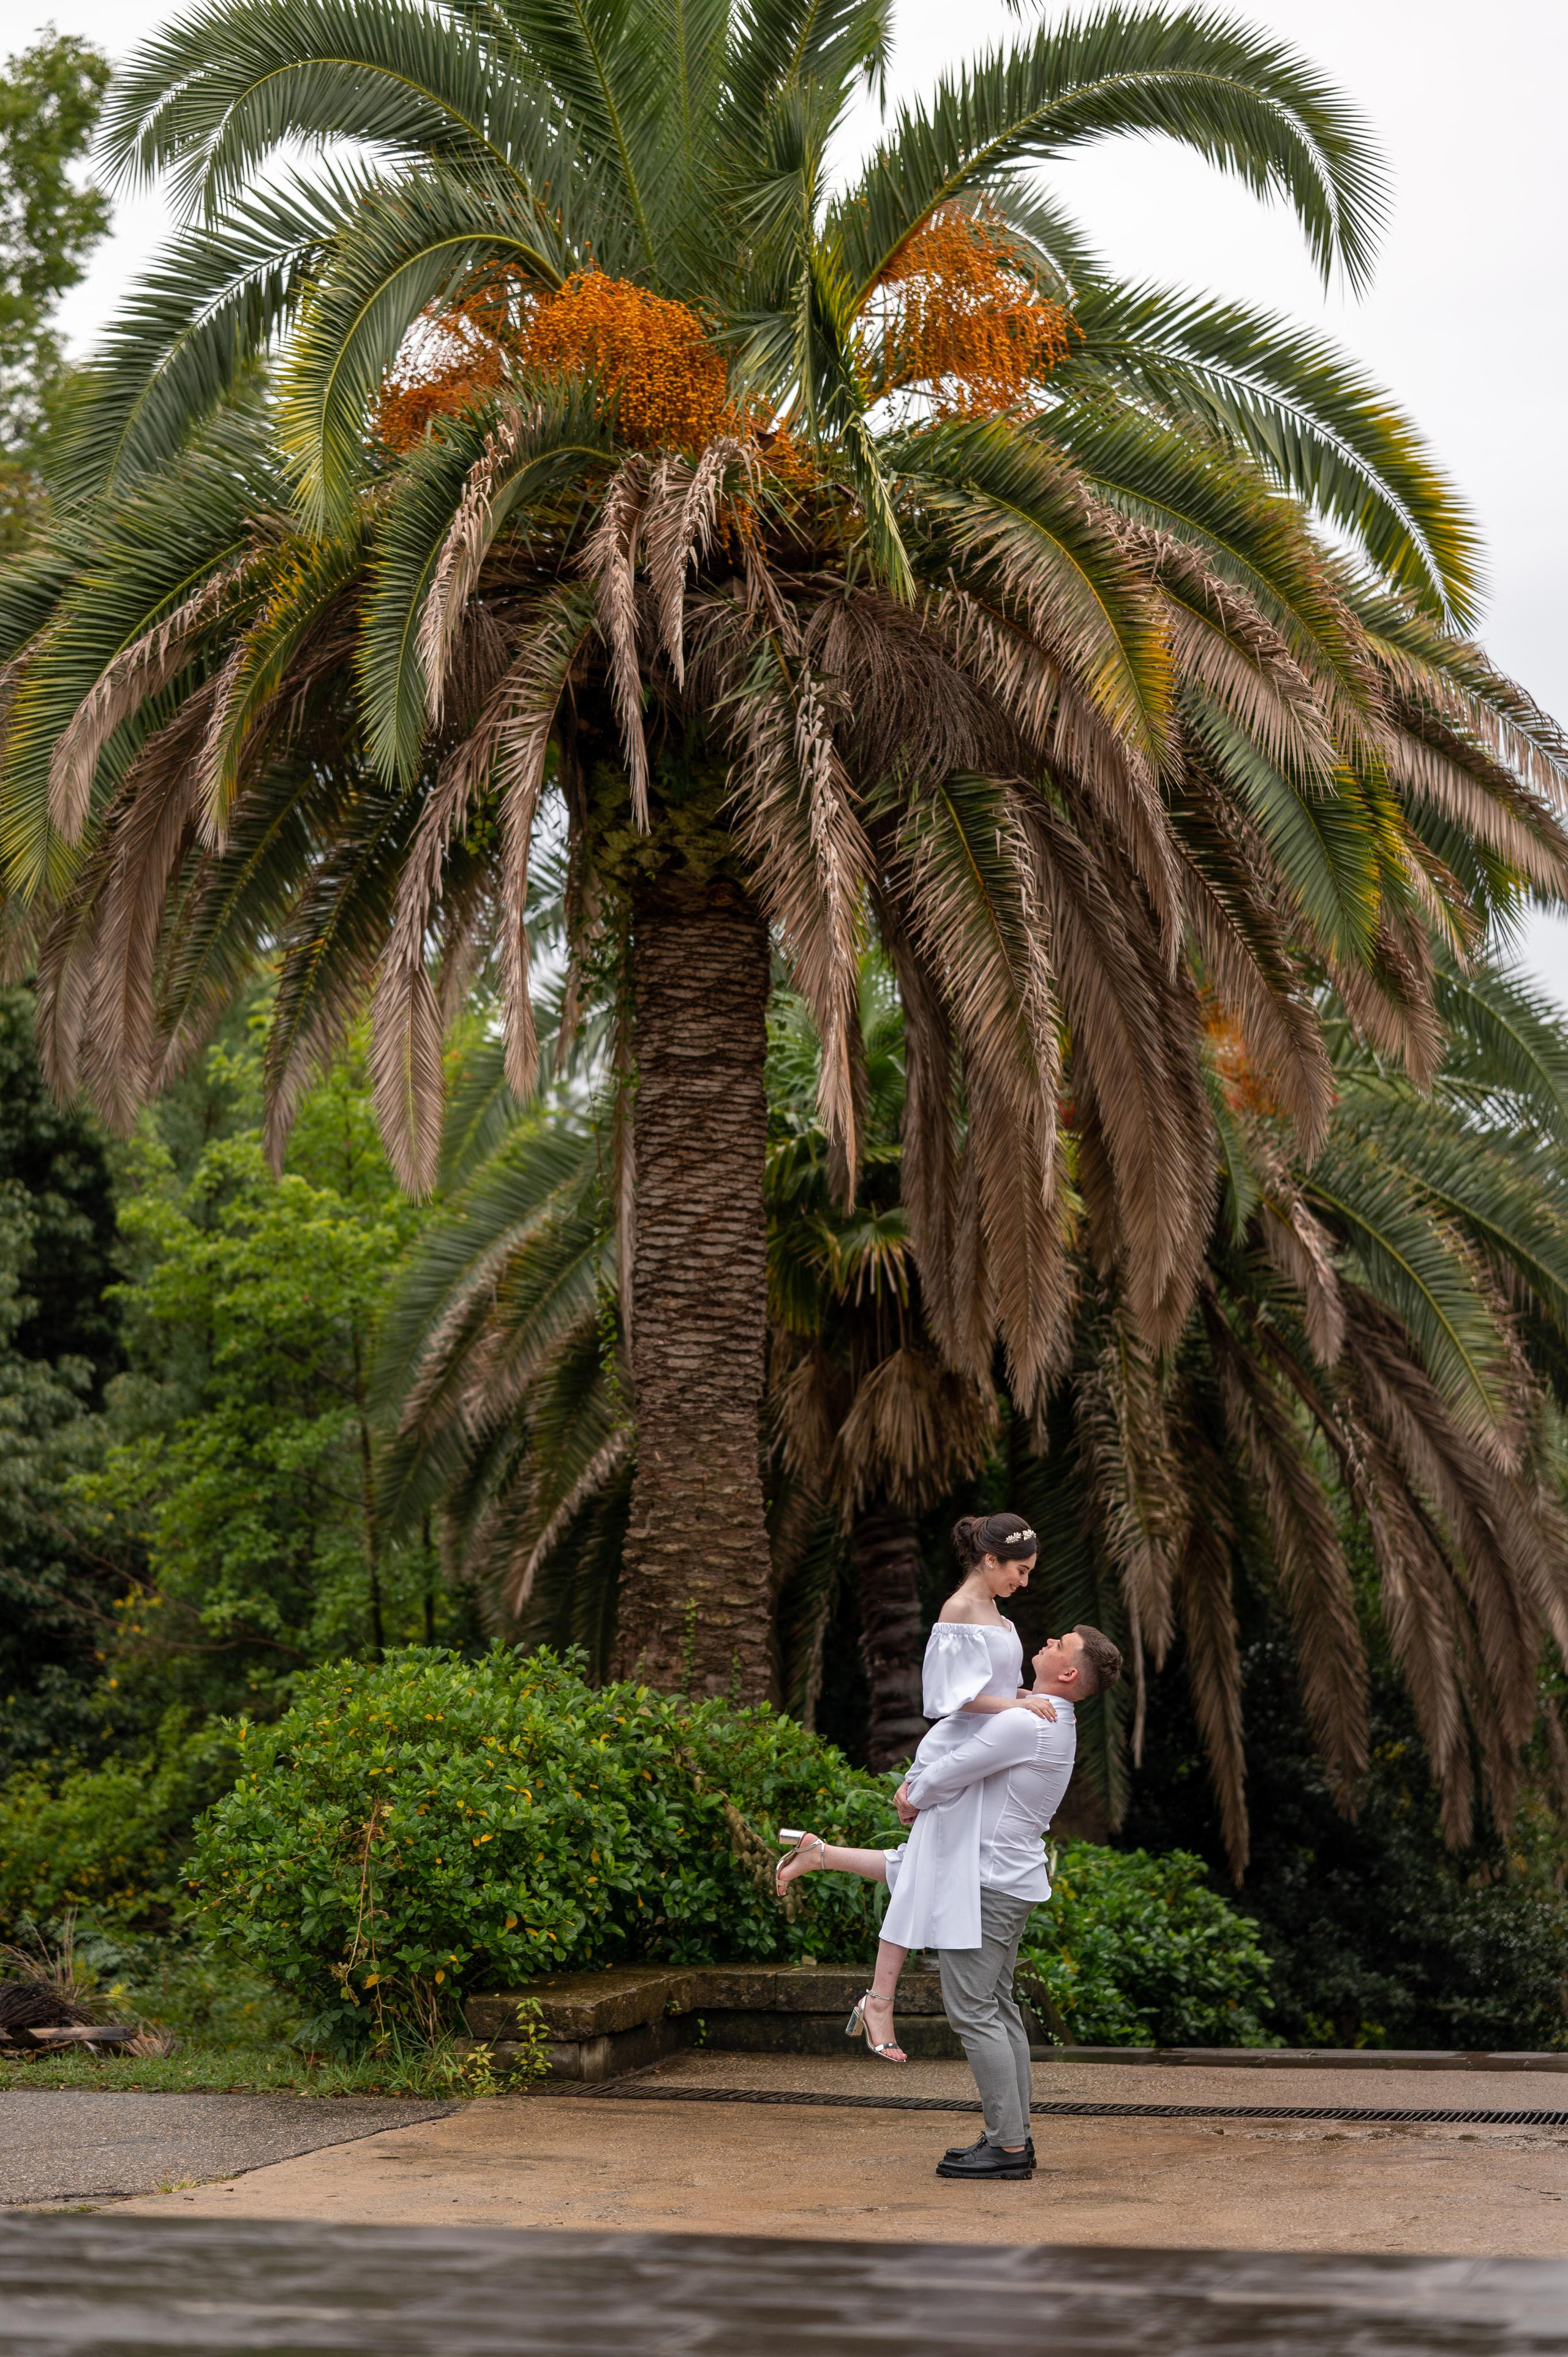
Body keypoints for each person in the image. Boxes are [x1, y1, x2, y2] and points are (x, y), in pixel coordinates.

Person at [778, 1510, 1063, 2064]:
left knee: (929, 1864)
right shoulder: (958, 1610)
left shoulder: (995, 1611)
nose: (1023, 1582)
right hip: (961, 1753)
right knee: (929, 1869)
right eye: (1019, 1571)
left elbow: (995, 1688)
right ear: (989, 1559)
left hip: (981, 1758)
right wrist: (1020, 1702)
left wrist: (1024, 1696)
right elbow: (948, 1699)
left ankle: (822, 1854)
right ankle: (879, 2000)